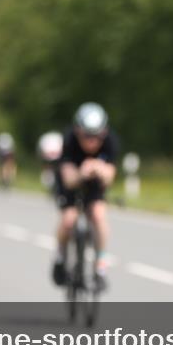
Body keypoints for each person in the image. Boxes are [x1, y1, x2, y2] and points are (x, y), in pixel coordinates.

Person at [52, 103, 119, 291]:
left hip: (95, 181)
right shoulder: (68, 140)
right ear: (77, 131)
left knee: (98, 214)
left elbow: (110, 177)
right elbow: (68, 179)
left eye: (97, 136)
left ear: (104, 132)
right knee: (68, 219)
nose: (92, 141)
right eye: (87, 136)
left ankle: (100, 266)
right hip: (72, 179)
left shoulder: (111, 141)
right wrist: (82, 172)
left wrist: (100, 170)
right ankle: (60, 257)